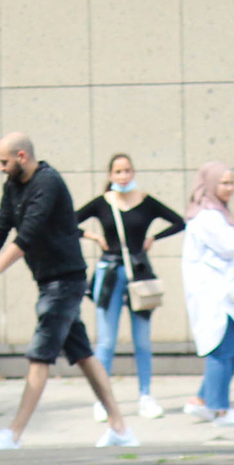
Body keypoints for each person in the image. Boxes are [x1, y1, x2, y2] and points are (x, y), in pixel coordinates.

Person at [0, 131, 138, 451]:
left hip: (65, 282)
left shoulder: (48, 183)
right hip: (50, 280)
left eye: (4, 162)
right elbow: (0, 228)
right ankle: (120, 428)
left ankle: (13, 434)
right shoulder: (14, 185)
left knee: (40, 355)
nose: (1, 168)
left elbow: (27, 236)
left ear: (22, 157)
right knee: (84, 355)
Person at [75, 153, 185, 420]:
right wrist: (92, 236)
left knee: (142, 340)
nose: (123, 176)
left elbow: (179, 221)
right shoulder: (103, 203)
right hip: (109, 273)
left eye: (127, 171)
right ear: (110, 175)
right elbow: (67, 221)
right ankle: (103, 400)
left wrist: (154, 237)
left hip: (140, 273)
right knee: (106, 341)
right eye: (118, 172)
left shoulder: (146, 202)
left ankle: (146, 396)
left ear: (133, 173)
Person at [179, 161, 234, 426]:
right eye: (224, 183)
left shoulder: (217, 213)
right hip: (214, 297)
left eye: (231, 182)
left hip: (224, 295)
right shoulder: (208, 217)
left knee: (228, 349)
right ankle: (220, 409)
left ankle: (203, 401)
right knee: (221, 351)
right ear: (211, 184)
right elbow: (229, 246)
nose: (229, 188)